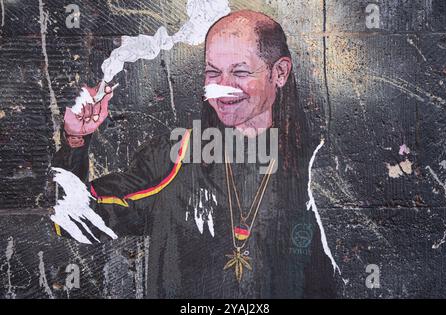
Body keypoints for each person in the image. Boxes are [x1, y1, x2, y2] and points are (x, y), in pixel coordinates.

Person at [53, 10, 337, 298]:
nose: (222, 86)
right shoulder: (174, 156)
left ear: (280, 72)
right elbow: (74, 220)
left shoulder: (319, 165)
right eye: (213, 72)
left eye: (239, 71)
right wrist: (76, 139)